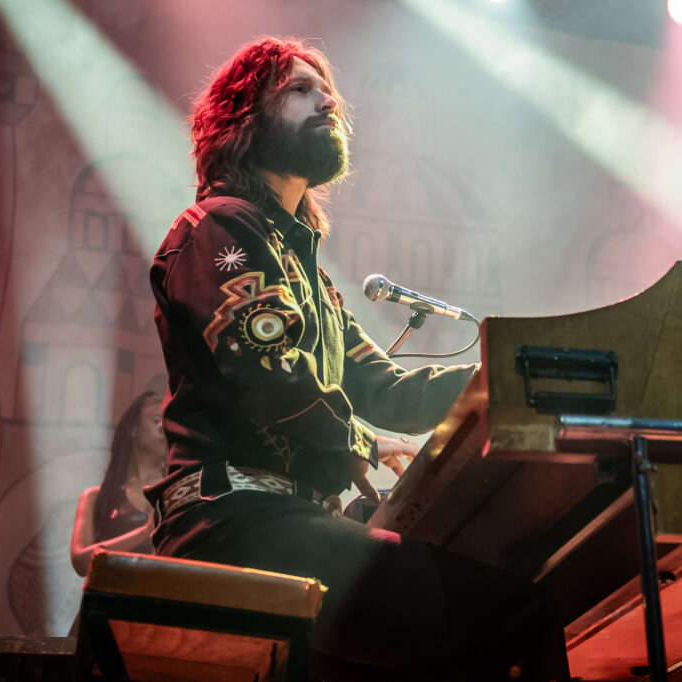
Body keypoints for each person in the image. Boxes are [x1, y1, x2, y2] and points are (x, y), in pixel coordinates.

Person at [146, 37, 569, 681]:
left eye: (329, 93)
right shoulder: (218, 227)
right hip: (234, 526)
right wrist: (360, 440)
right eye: (300, 90)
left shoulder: (308, 276)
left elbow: (385, 388)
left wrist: (510, 378)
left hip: (283, 526)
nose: (328, 102)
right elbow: (271, 373)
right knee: (519, 617)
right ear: (243, 119)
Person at [70, 391, 166, 577]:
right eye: (156, 420)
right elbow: (81, 561)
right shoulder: (96, 498)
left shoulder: (174, 493)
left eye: (167, 422)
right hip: (107, 593)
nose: (163, 427)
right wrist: (145, 532)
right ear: (133, 429)